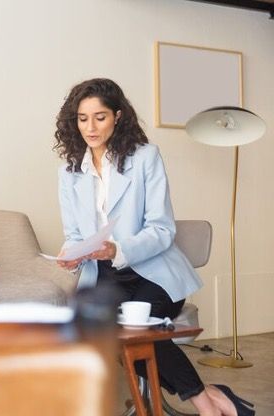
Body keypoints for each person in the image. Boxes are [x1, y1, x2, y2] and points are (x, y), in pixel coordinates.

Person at [53, 78, 254, 416]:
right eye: (82, 118)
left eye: (99, 117)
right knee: (111, 335)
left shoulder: (145, 157)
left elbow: (162, 229)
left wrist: (117, 250)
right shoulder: (69, 172)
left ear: (117, 116)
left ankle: (205, 406)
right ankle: (212, 397)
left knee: (138, 333)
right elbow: (74, 234)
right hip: (104, 275)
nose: (90, 127)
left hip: (154, 270)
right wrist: (70, 257)